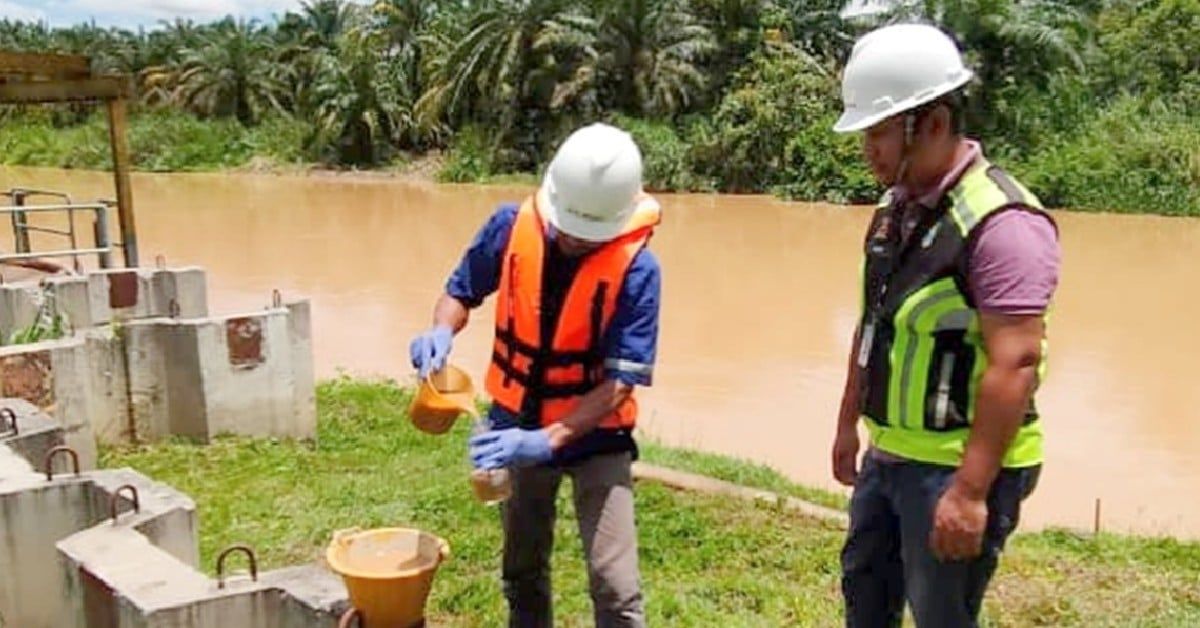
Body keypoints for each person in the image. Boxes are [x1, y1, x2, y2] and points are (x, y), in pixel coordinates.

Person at [829, 23, 1062, 627]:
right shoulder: (894, 209)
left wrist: (969, 491)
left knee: (941, 615)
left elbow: (1016, 362)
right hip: (891, 456)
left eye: (879, 132)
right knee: (865, 599)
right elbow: (873, 323)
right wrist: (848, 424)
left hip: (957, 466)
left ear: (931, 123)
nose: (868, 151)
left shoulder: (1003, 224)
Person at [409, 122, 661, 628]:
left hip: (598, 435)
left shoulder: (639, 269)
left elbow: (620, 383)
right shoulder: (508, 226)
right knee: (522, 569)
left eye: (587, 234)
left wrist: (547, 441)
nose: (572, 239)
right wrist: (440, 329)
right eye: (566, 226)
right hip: (514, 415)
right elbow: (460, 292)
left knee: (616, 586)